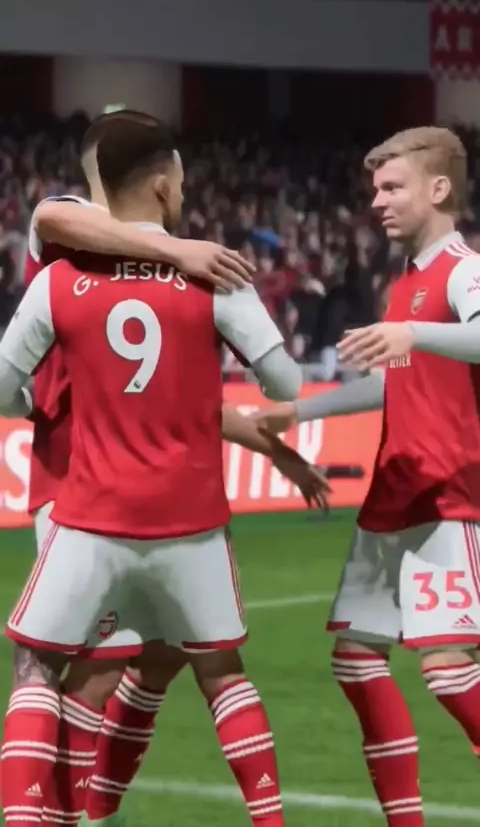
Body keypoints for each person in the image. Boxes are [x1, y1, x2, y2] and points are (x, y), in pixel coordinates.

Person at [0, 119, 307, 827]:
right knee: (143, 666)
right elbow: (284, 381)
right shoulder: (90, 236)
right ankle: (80, 812)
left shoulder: (65, 279)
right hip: (124, 494)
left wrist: (266, 444)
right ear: (164, 184)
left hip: (97, 497)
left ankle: (67, 810)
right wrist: (178, 250)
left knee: (127, 657)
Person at [253, 126, 480, 827]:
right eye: (374, 189)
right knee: (356, 662)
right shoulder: (403, 286)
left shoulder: (464, 271)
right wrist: (299, 411)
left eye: (392, 187)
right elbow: (394, 385)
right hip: (393, 495)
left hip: (450, 493)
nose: (377, 201)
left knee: (448, 668)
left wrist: (414, 333)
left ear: (438, 189)